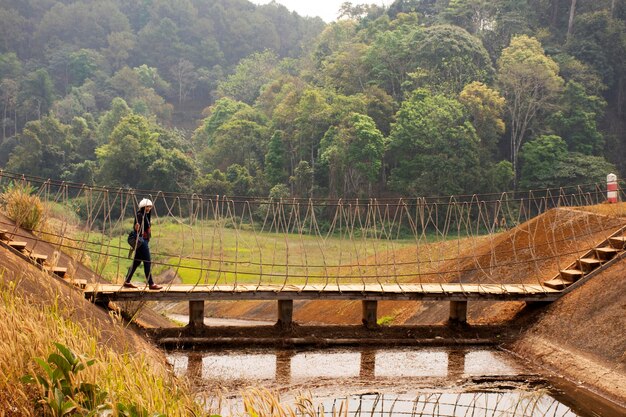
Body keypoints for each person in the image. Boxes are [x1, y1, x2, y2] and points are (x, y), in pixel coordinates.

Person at [123, 198, 162, 290]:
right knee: (147, 262)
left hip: (143, 241)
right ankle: (151, 284)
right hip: (142, 241)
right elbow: (137, 227)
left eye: (149, 206)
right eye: (147, 207)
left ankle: (127, 281)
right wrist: (137, 227)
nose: (148, 208)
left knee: (136, 262)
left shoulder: (145, 215)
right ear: (143, 207)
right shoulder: (140, 215)